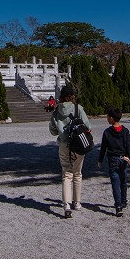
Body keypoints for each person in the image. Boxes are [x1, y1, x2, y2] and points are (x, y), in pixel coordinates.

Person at [49, 84, 91, 218]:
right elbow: (88, 126)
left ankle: (66, 205)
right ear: (72, 96)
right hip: (78, 145)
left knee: (66, 174)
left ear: (61, 96)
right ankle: (77, 202)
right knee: (77, 174)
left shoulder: (56, 111)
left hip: (64, 145)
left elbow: (52, 130)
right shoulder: (78, 109)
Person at [97, 106, 130, 217]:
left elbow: (103, 148)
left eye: (108, 117)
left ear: (112, 118)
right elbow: (129, 145)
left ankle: (118, 206)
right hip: (124, 158)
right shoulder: (125, 131)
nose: (107, 118)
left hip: (113, 159)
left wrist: (100, 160)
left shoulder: (107, 132)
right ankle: (124, 201)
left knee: (115, 183)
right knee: (123, 181)